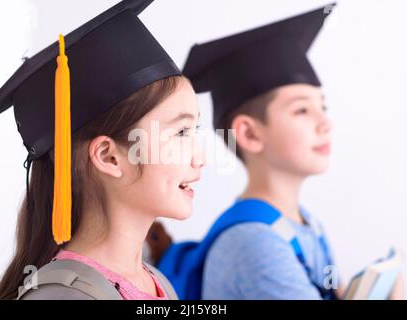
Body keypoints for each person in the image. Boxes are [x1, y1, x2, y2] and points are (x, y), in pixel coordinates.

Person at [149, 3, 404, 300]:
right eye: (302, 110)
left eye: (323, 107)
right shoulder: (255, 242)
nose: (325, 123)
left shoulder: (307, 224)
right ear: (249, 133)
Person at [0, 0, 204, 300]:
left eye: (195, 130)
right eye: (180, 132)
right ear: (109, 157)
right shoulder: (63, 296)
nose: (201, 158)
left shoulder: (156, 283)